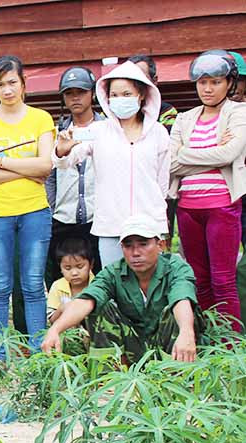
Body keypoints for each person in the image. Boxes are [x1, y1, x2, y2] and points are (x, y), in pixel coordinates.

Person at [0, 55, 55, 357]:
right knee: (0, 286)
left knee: (33, 285)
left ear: (23, 84)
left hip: (34, 212)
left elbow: (46, 165)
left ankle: (39, 351)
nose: (6, 90)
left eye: (11, 83)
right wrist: (26, 169)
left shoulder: (41, 118)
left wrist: (1, 161)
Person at [54, 60, 170, 266]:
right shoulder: (99, 130)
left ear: (141, 95)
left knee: (151, 289)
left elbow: (162, 184)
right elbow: (67, 161)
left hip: (148, 226)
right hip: (111, 226)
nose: (119, 100)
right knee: (116, 287)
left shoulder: (158, 132)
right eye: (114, 95)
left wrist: (160, 223)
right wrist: (62, 150)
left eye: (126, 94)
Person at [42, 215, 202, 363]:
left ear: (160, 245)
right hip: (134, 345)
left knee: (175, 311)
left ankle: (176, 373)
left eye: (143, 244)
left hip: (175, 344)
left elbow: (182, 297)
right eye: (128, 246)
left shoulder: (176, 267)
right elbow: (86, 300)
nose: (135, 252)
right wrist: (55, 329)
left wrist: (186, 332)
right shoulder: (115, 272)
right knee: (100, 306)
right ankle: (109, 375)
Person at [169, 51, 246, 331]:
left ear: (229, 83)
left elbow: (230, 152)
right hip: (188, 207)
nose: (208, 88)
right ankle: (207, 340)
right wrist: (212, 155)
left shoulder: (239, 112)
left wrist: (186, 153)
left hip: (222, 206)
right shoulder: (185, 118)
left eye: (215, 82)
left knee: (223, 280)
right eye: (202, 82)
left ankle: (230, 346)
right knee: (198, 279)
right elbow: (170, 161)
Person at [44, 66, 104, 284]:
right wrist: (52, 208)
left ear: (93, 94)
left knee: (100, 277)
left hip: (99, 217)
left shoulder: (108, 128)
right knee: (60, 279)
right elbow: (49, 175)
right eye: (69, 93)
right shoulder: (55, 131)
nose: (75, 97)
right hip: (63, 217)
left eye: (81, 92)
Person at [46, 237, 94, 324]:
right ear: (60, 267)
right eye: (67, 268)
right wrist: (62, 309)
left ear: (91, 264)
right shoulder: (57, 286)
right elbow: (52, 320)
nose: (74, 273)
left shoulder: (97, 285)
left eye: (80, 267)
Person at [129, 54, 178, 131]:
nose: (135, 84)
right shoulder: (112, 111)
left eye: (141, 78)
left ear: (154, 80)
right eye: (130, 79)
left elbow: (167, 141)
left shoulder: (166, 111)